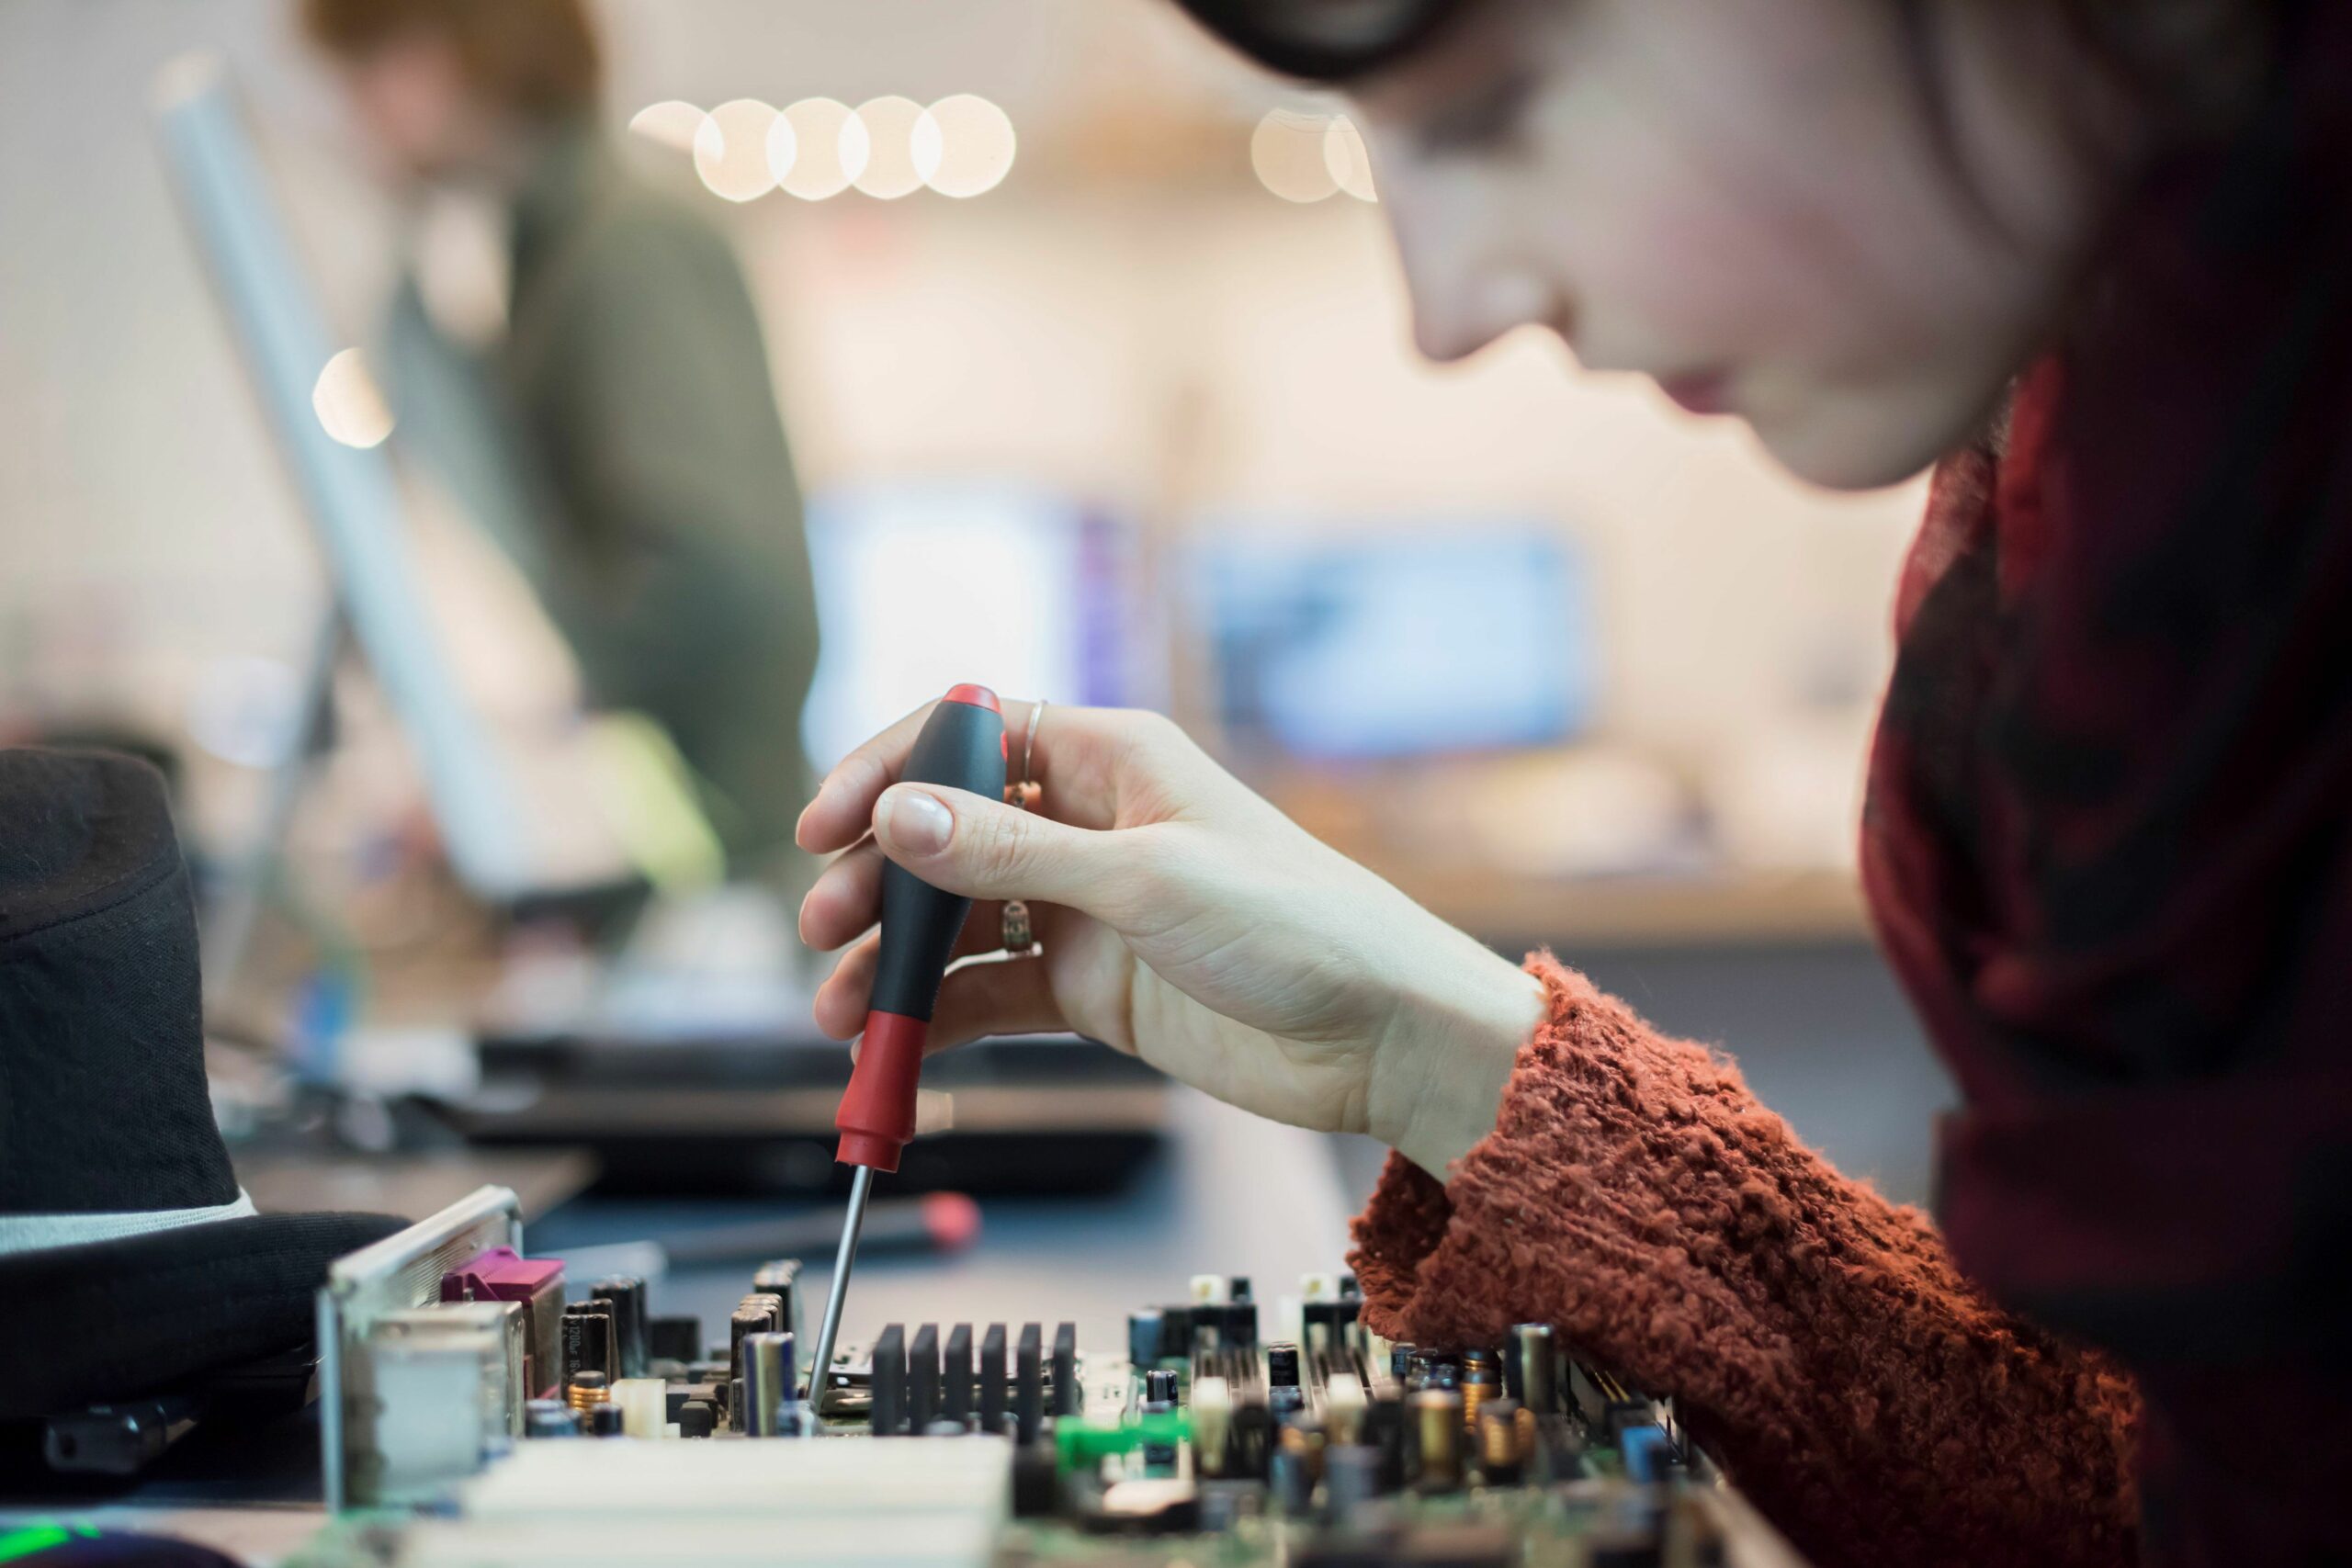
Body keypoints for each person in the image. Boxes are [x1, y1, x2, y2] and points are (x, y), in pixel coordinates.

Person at [798, 3, 2350, 1564]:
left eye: (1494, 110)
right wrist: (1432, 1046)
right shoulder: (2129, 550)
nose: (1446, 309)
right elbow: (2145, 1493)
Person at [300, 0, 821, 882]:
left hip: (708, 864)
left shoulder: (623, 251)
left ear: (456, 50)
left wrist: (537, 737)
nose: (353, 112)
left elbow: (714, 584)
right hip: (682, 855)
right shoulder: (550, 254)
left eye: (367, 67)